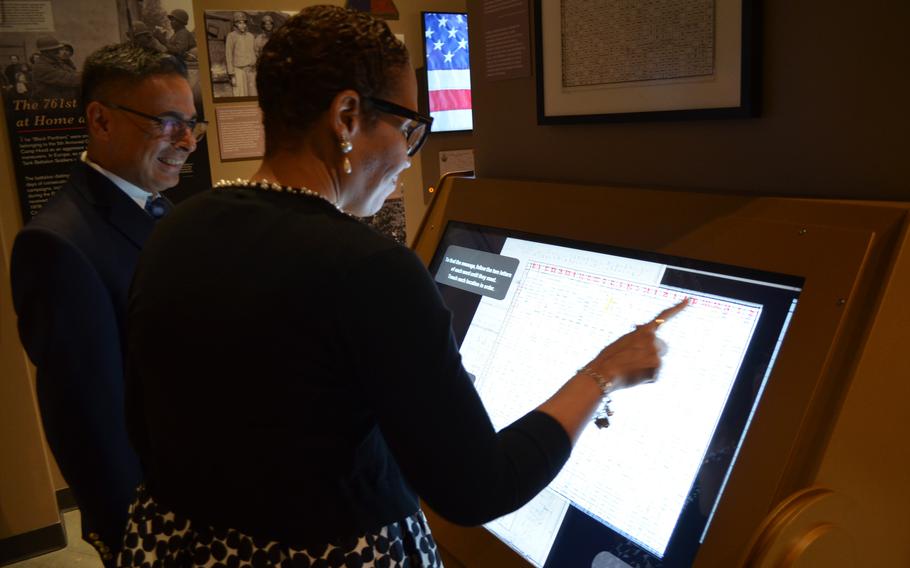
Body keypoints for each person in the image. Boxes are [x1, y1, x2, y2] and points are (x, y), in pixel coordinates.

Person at [121, 6, 685, 567]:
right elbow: (478, 489)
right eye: (409, 129)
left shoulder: (178, 227)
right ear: (346, 116)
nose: (409, 159)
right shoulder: (368, 268)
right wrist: (604, 372)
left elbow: (152, 423)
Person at [10, 43, 204, 567]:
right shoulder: (58, 244)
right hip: (155, 519)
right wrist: (134, 542)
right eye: (167, 122)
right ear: (100, 120)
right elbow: (85, 423)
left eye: (191, 123)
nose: (186, 141)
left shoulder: (157, 204)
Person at [30, 36, 80, 100]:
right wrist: (89, 75)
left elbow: (72, 73)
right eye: (54, 49)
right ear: (46, 52)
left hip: (63, 101)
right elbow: (68, 79)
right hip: (50, 104)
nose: (58, 51)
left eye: (58, 49)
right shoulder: (41, 66)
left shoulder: (56, 61)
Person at [224, 11, 256, 96]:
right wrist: (231, 74)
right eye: (239, 23)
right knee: (240, 94)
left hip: (250, 70)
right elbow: (228, 55)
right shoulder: (231, 36)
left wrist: (254, 65)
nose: (243, 25)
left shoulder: (251, 36)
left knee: (253, 94)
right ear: (235, 24)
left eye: (244, 23)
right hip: (238, 70)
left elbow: (254, 52)